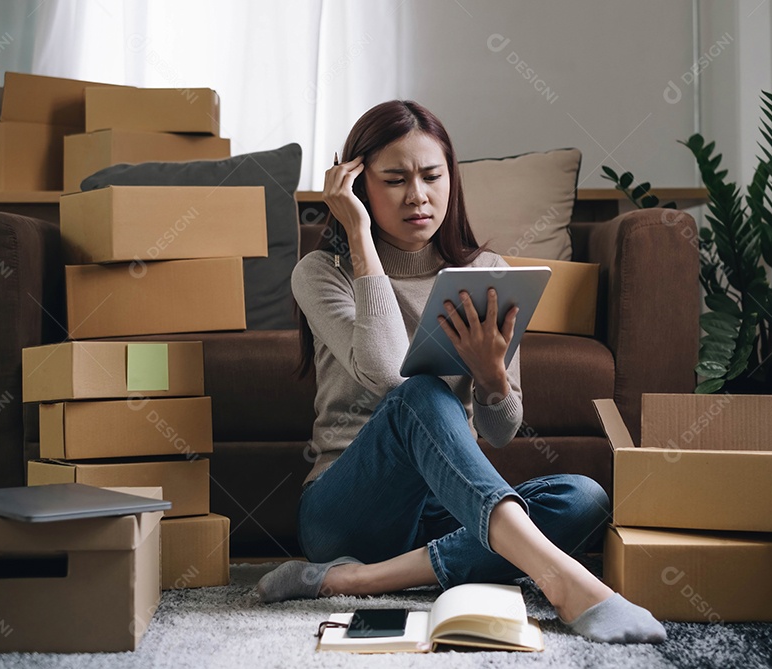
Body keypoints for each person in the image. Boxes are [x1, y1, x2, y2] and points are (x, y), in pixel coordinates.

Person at [255, 100, 665, 644]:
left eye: (432, 176)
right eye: (394, 179)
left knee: (583, 499)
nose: (418, 196)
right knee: (420, 391)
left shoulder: (485, 273)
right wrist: (357, 235)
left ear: (452, 178)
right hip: (347, 512)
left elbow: (500, 432)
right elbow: (384, 374)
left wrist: (492, 375)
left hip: (444, 510)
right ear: (357, 186)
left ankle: (357, 580)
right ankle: (568, 584)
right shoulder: (320, 273)